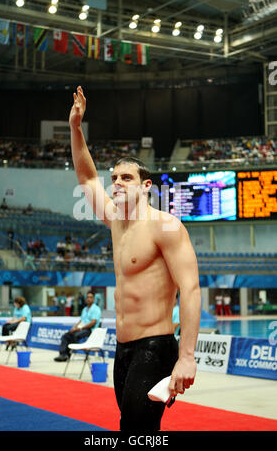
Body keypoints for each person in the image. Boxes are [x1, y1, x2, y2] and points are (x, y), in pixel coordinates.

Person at [69, 86, 201, 432]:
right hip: (122, 347)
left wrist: (187, 357)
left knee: (134, 431)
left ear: (146, 187)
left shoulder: (166, 226)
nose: (116, 184)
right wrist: (75, 128)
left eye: (126, 178)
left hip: (155, 347)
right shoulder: (114, 220)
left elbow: (190, 289)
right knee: (136, 429)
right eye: (113, 178)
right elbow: (85, 176)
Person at [54, 292, 101, 362]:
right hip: (81, 328)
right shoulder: (84, 309)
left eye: (91, 297)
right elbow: (81, 320)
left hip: (90, 330)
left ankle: (67, 354)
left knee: (75, 335)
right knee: (66, 335)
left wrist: (80, 328)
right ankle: (63, 354)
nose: (89, 299)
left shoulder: (96, 309)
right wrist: (74, 327)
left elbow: (93, 322)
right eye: (87, 297)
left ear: (94, 299)